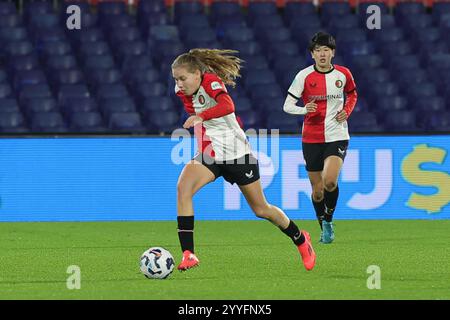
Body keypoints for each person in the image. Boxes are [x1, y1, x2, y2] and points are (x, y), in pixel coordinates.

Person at [172, 48, 316, 271]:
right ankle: (189, 253)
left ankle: (300, 238)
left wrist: (201, 116)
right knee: (183, 188)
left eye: (183, 78)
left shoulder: (210, 82)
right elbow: (200, 119)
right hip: (213, 154)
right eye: (176, 79)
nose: (179, 84)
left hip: (238, 154)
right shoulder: (182, 91)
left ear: (198, 74)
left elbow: (227, 106)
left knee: (261, 209)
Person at [283, 32, 358, 244]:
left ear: (332, 53)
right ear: (312, 54)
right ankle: (323, 224)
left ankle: (329, 220)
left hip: (337, 134)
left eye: (326, 50)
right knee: (317, 193)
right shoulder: (303, 76)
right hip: (312, 138)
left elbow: (352, 94)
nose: (322, 54)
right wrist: (304, 109)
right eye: (318, 50)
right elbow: (287, 105)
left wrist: (347, 110)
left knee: (330, 181)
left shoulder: (343, 74)